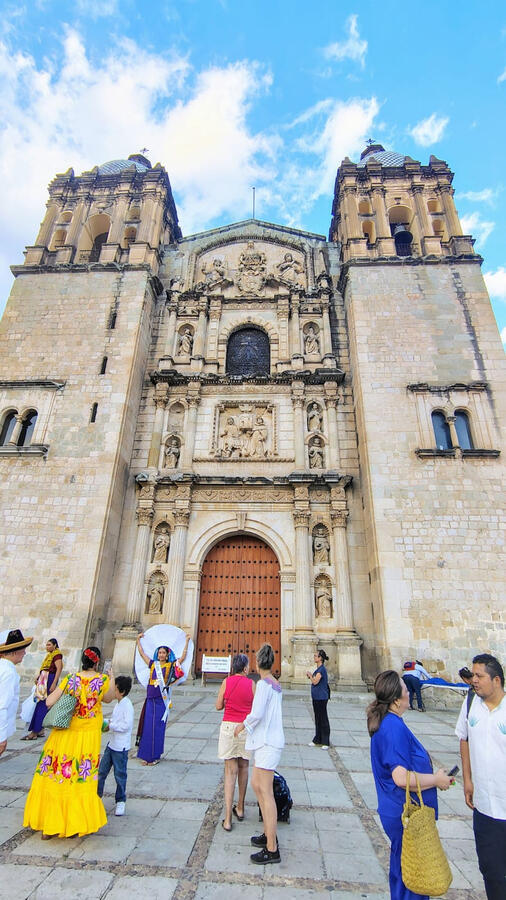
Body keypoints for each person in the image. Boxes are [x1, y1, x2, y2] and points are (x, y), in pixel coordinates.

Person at [367, 670, 453, 900]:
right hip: (406, 814)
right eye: (405, 688)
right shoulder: (392, 727)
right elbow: (401, 778)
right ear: (397, 699)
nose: (409, 690)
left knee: (404, 873)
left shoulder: (389, 722)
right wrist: (436, 780)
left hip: (399, 812)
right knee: (414, 880)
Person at [23, 646, 116, 839]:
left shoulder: (71, 679)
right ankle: (71, 824)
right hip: (87, 737)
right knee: (78, 778)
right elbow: (109, 698)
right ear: (97, 662)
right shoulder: (102, 681)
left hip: (64, 735)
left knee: (56, 775)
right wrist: (112, 677)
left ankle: (48, 825)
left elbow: (48, 702)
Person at [455, 653, 506, 900]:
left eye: (479, 676)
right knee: (490, 869)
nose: (473, 680)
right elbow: (463, 738)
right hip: (484, 806)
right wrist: (467, 779)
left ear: (496, 680)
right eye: (473, 675)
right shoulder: (470, 702)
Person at [234, 643, 284, 865]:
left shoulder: (264, 685)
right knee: (257, 784)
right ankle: (268, 832)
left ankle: (271, 848)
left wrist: (242, 726)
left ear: (257, 662)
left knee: (265, 791)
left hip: (268, 742)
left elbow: (257, 713)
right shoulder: (276, 684)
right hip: (267, 741)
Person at [136, 632, 190, 765]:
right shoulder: (153, 664)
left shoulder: (171, 665)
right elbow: (142, 654)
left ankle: (154, 756)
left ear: (167, 654)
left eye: (163, 653)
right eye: (159, 652)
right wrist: (138, 641)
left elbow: (182, 657)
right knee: (148, 726)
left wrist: (187, 641)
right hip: (150, 698)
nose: (161, 655)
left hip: (161, 700)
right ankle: (145, 756)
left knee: (158, 728)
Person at [215, 653, 255, 831]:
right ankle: (240, 807)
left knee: (230, 772)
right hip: (245, 728)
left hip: (228, 728)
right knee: (244, 767)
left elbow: (218, 706)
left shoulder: (226, 682)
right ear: (245, 668)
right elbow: (255, 711)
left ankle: (228, 818)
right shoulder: (252, 684)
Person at [97, 675, 134, 817]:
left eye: (115, 689)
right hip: (111, 744)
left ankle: (120, 801)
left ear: (122, 691)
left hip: (121, 747)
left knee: (120, 774)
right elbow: (115, 721)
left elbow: (126, 725)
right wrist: (107, 722)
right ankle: (97, 796)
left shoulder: (127, 705)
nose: (112, 692)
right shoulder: (118, 704)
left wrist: (110, 725)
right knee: (101, 772)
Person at [0, 629, 33, 757]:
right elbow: (2, 705)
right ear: (14, 652)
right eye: (22, 649)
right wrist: (2, 737)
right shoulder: (8, 672)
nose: (24, 653)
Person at [23, 638, 63, 741]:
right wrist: (39, 678)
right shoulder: (49, 655)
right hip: (44, 678)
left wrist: (54, 683)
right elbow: (44, 669)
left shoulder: (57, 655)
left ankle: (35, 731)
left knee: (42, 704)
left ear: (55, 645)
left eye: (49, 645)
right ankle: (40, 729)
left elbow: (59, 669)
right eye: (47, 645)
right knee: (39, 703)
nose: (47, 647)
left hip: (49, 679)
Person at [307, 649, 330, 749]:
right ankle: (317, 739)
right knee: (318, 718)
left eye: (316, 656)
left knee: (323, 718)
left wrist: (310, 676)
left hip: (321, 697)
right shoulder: (318, 669)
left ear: (320, 658)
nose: (314, 657)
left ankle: (325, 741)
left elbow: (315, 682)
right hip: (317, 697)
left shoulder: (321, 670)